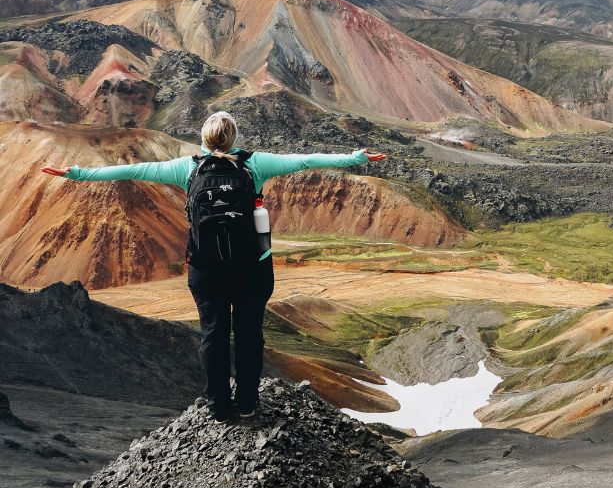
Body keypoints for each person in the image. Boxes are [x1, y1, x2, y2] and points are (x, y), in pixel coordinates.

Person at [41, 111, 386, 422]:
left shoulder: (186, 168)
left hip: (206, 269)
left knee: (213, 333)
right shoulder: (255, 164)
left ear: (203, 140)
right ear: (233, 137)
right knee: (250, 334)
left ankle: (219, 406)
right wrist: (356, 157)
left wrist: (77, 173)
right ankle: (248, 403)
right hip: (253, 266)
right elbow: (305, 161)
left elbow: (133, 170)